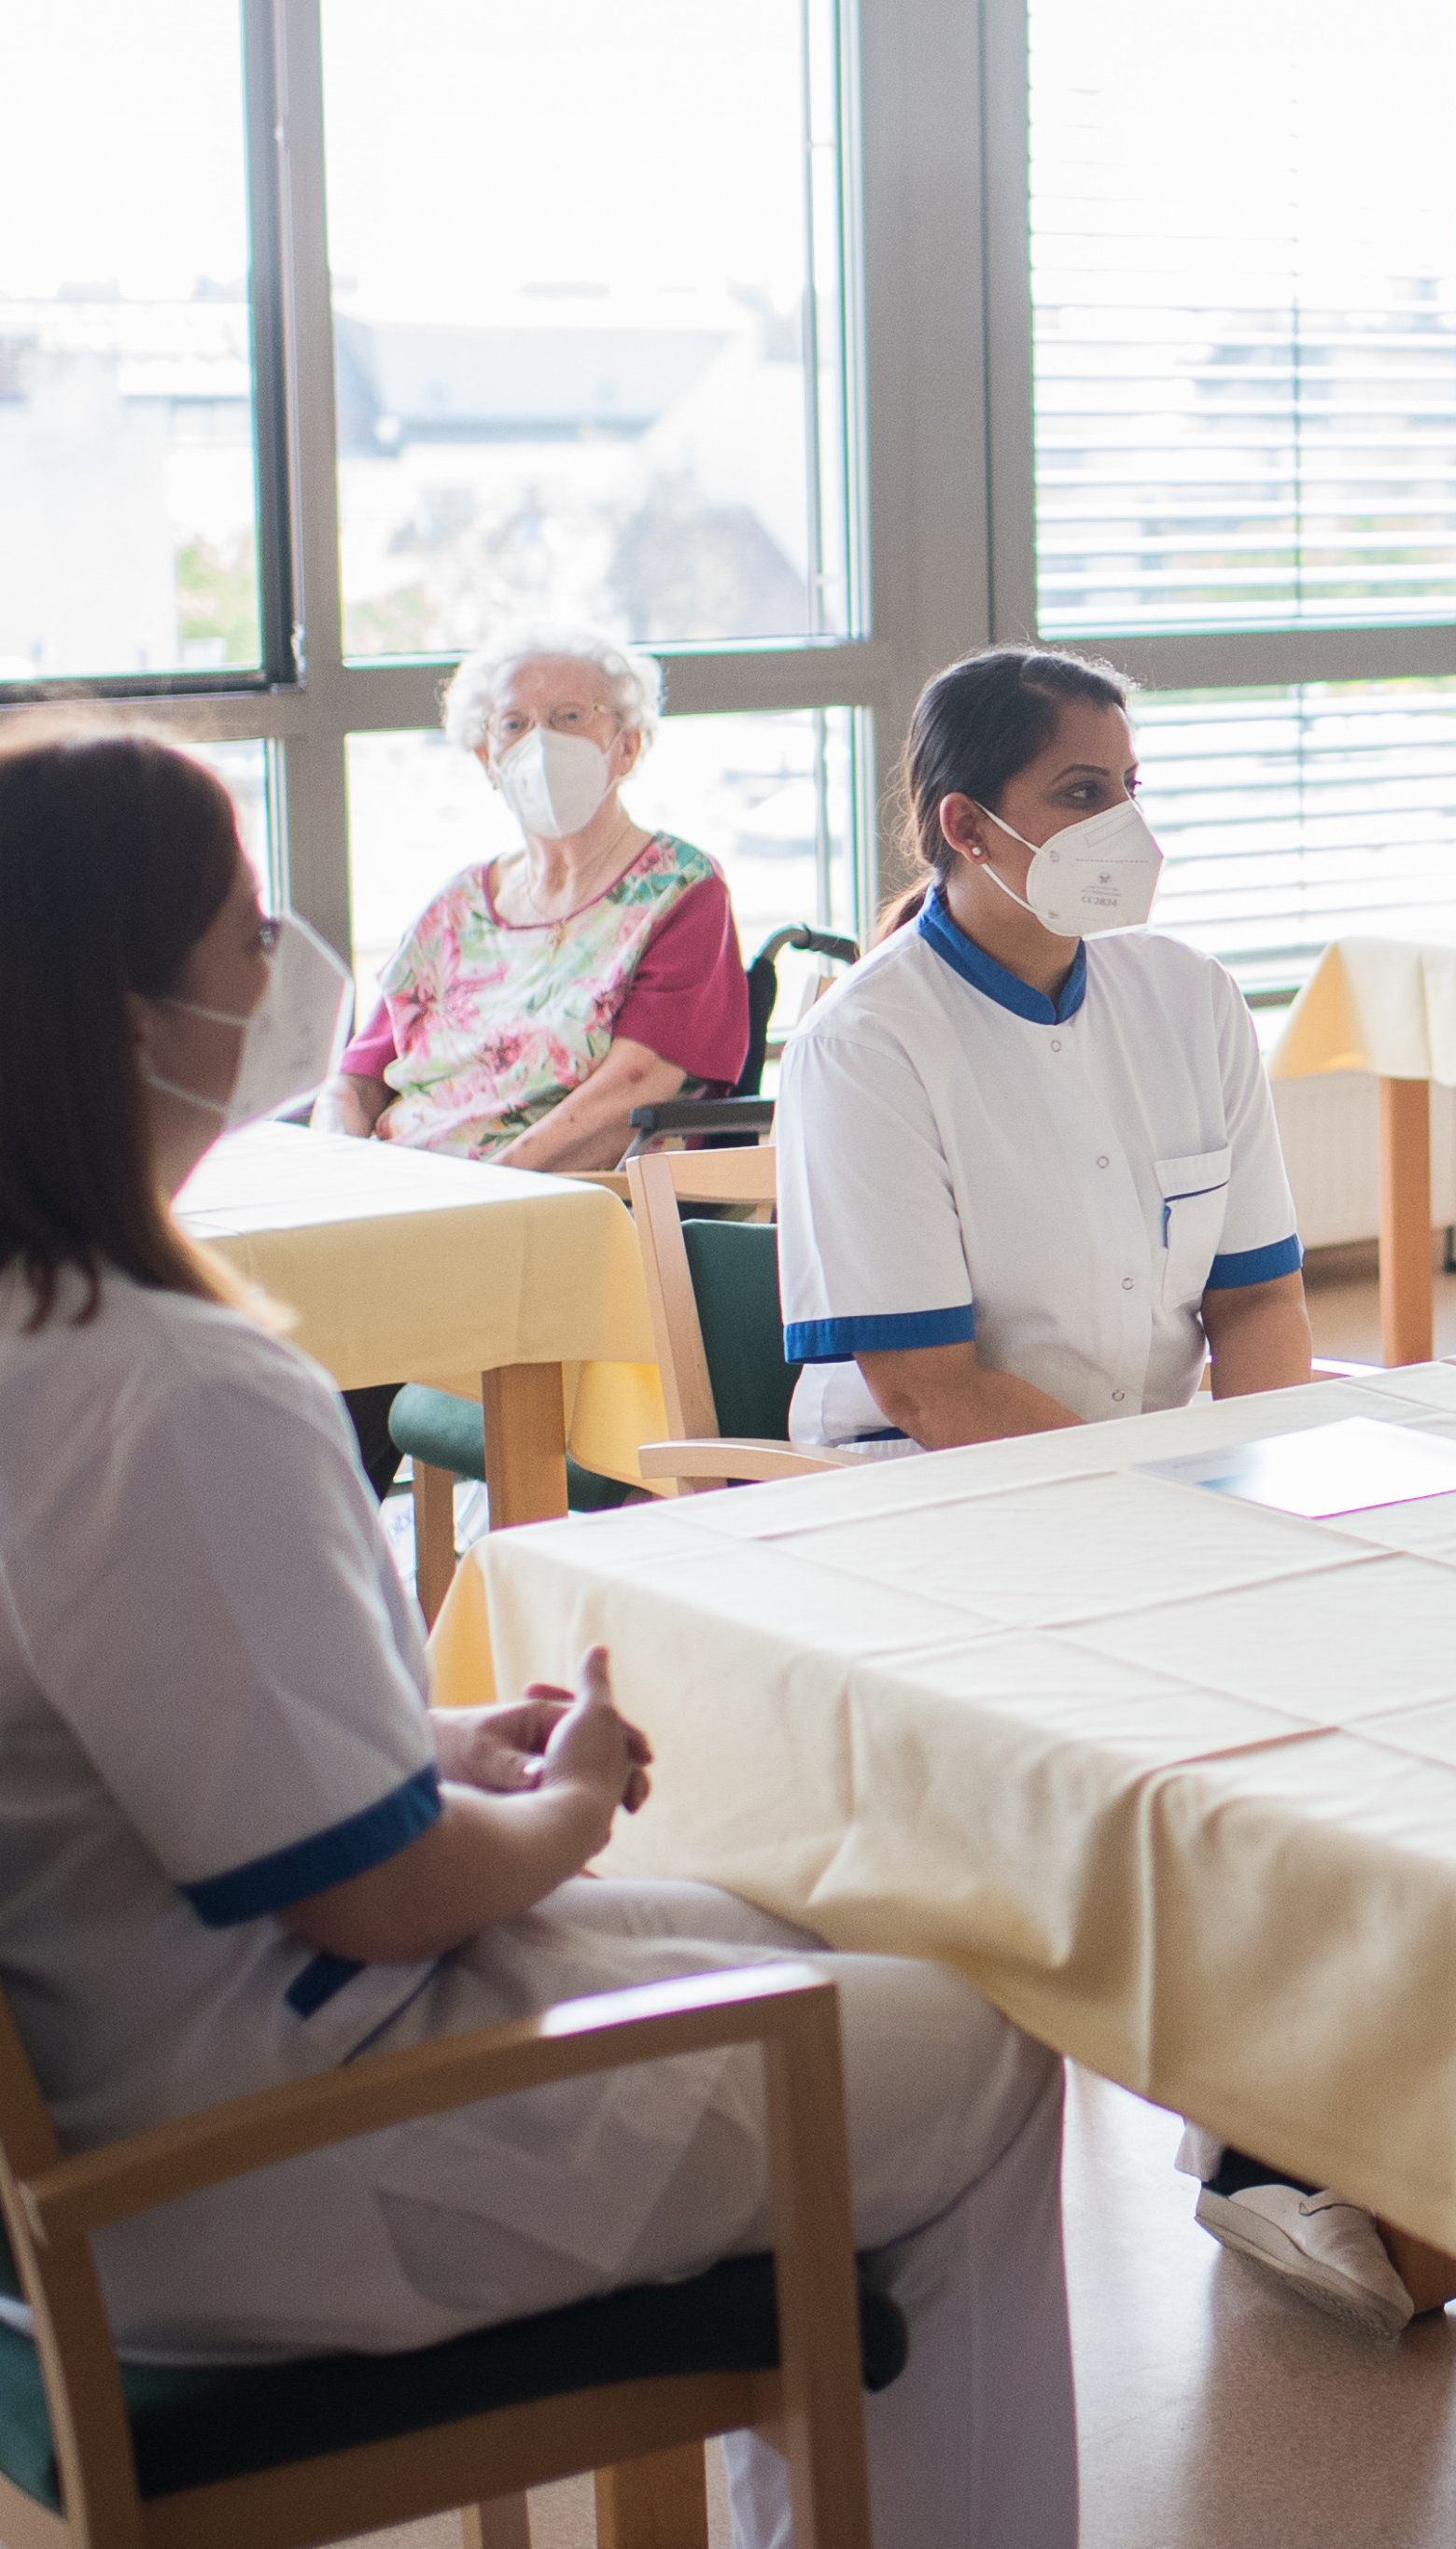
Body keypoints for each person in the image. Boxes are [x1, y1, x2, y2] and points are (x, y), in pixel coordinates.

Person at [0, 727, 1075, 2549]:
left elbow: (121, 1738)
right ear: (121, 1015)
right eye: (247, 929)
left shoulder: (54, 1333)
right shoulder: (177, 1387)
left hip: (142, 2073)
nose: (287, 969)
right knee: (981, 2051)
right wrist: (567, 1805)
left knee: (829, 1931)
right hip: (268, 2154)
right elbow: (385, 1902)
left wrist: (420, 1753)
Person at [771, 647, 1414, 2337]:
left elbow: (1260, 1303)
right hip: (932, 1501)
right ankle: (1270, 2134)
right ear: (961, 827)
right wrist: (1167, 1515)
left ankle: (1330, 2110)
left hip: (1165, 1473)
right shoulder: (869, 1049)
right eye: (1081, 795)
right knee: (1214, 1708)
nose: (1125, 826)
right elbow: (928, 1387)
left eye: (1133, 788)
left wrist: (1266, 1493)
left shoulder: (1186, 996)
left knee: (1379, 1656)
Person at [322, 622, 750, 1170]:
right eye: (514, 724)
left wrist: (489, 1189)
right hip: (406, 1190)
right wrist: (337, 1167)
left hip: (550, 1203)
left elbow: (637, 1087)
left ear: (627, 746)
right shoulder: (457, 908)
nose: (540, 743)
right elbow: (355, 1084)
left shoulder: (680, 890)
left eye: (569, 717)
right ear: (487, 760)